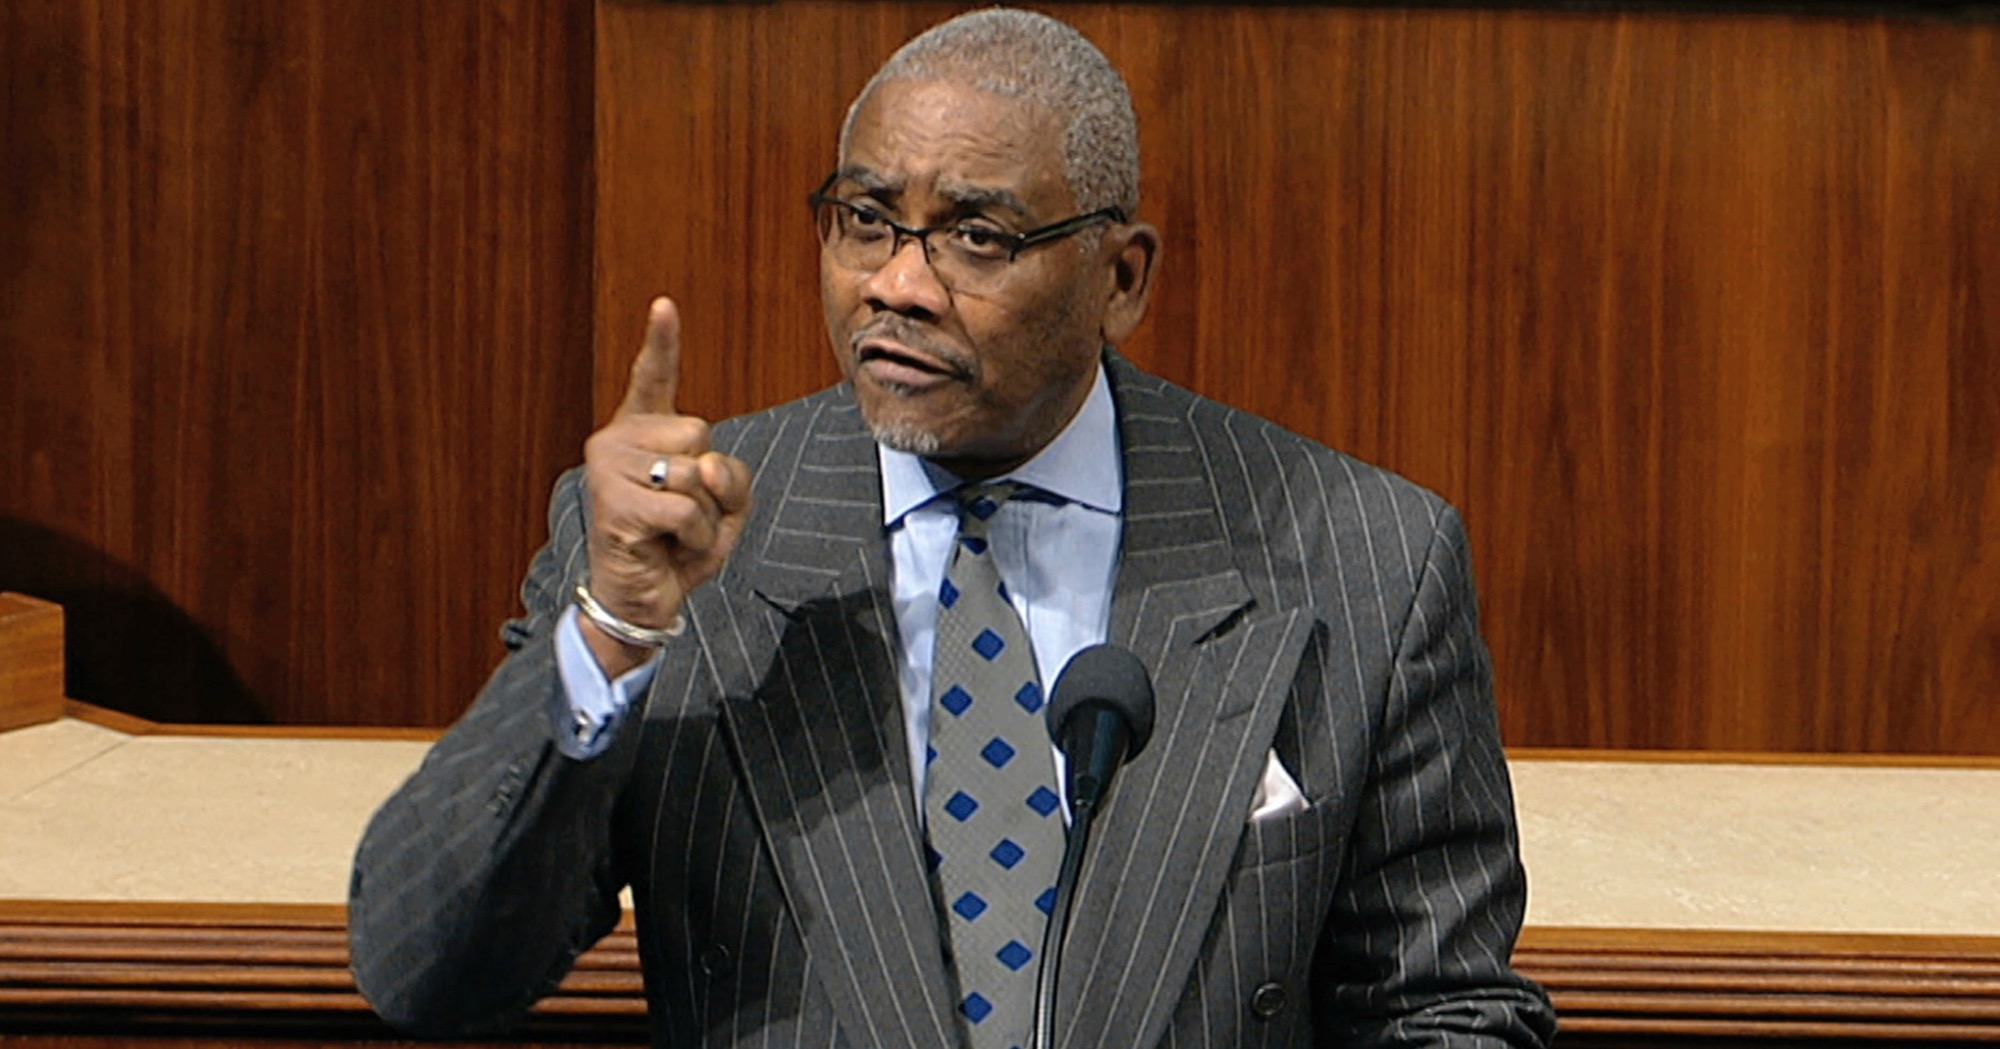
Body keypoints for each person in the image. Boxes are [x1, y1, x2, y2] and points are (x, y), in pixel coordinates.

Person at [348, 9, 1557, 1047]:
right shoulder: (674, 547)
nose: (898, 283)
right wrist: (610, 630)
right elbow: (430, 970)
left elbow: (1440, 1006)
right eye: (863, 219)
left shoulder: (1363, 556)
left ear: (1120, 278)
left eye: (976, 236)